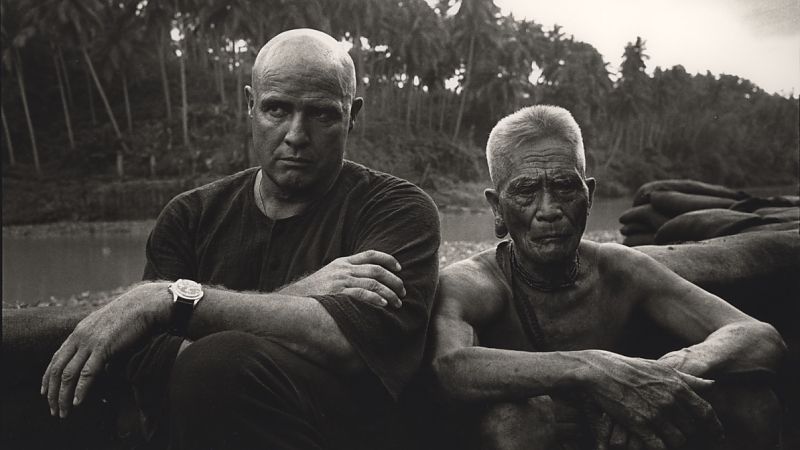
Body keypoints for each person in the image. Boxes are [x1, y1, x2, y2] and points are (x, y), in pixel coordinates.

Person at [41, 28, 440, 449]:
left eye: (322, 115)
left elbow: (356, 344)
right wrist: (303, 297)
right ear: (250, 105)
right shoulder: (191, 215)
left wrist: (169, 301)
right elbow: (151, 362)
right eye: (276, 110)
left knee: (218, 363)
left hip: (333, 434)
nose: (296, 135)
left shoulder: (397, 209)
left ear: (352, 114)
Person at [429, 105, 785, 449]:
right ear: (497, 209)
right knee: (513, 424)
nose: (549, 210)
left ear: (589, 196)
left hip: (625, 435)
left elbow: (758, 336)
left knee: (752, 406)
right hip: (548, 434)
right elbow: (450, 367)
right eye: (526, 191)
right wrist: (594, 369)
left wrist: (666, 373)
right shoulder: (473, 281)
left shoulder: (620, 268)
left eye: (565, 187)